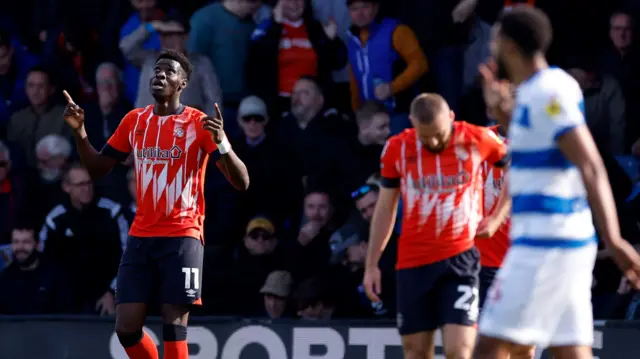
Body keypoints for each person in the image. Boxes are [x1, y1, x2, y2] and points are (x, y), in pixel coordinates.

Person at [61, 50, 250, 359]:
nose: (159, 75)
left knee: (173, 325)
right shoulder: (134, 120)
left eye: (168, 71)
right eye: (156, 70)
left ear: (183, 83)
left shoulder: (199, 123)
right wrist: (80, 131)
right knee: (126, 329)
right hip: (141, 236)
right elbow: (97, 169)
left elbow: (242, 183)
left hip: (182, 234)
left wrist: (223, 144)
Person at [475, 6, 640, 359]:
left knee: (487, 350)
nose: (490, 49)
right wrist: (501, 112)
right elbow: (541, 149)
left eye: (495, 41)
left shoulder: (548, 92)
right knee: (571, 353)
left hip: (545, 244)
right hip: (558, 242)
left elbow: (590, 163)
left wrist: (615, 240)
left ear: (511, 47)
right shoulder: (533, 93)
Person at [363, 93, 509, 359]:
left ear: (451, 117)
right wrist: (372, 264)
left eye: (439, 134)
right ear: (411, 124)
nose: (433, 141)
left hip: (461, 261)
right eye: (425, 136)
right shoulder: (397, 149)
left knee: (460, 350)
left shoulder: (477, 139)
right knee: (417, 352)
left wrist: (497, 217)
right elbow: (385, 209)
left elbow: (516, 167)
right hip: (414, 262)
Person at [475, 125, 535, 359]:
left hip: (524, 260)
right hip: (483, 262)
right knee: (492, 348)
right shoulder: (474, 139)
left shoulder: (540, 140)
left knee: (525, 349)